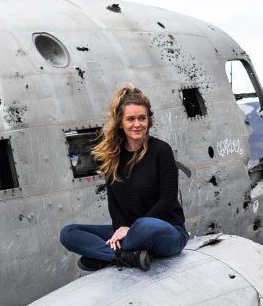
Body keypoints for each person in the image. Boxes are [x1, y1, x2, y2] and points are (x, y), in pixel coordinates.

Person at [59, 84, 188, 271]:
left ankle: (105, 255)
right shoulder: (112, 156)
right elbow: (114, 202)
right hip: (129, 234)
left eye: (142, 118)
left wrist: (131, 230)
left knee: (145, 226)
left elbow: (167, 201)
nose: (137, 124)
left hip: (166, 231)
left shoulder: (161, 150)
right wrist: (120, 230)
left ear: (148, 121)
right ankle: (121, 255)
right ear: (121, 122)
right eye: (131, 119)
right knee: (69, 233)